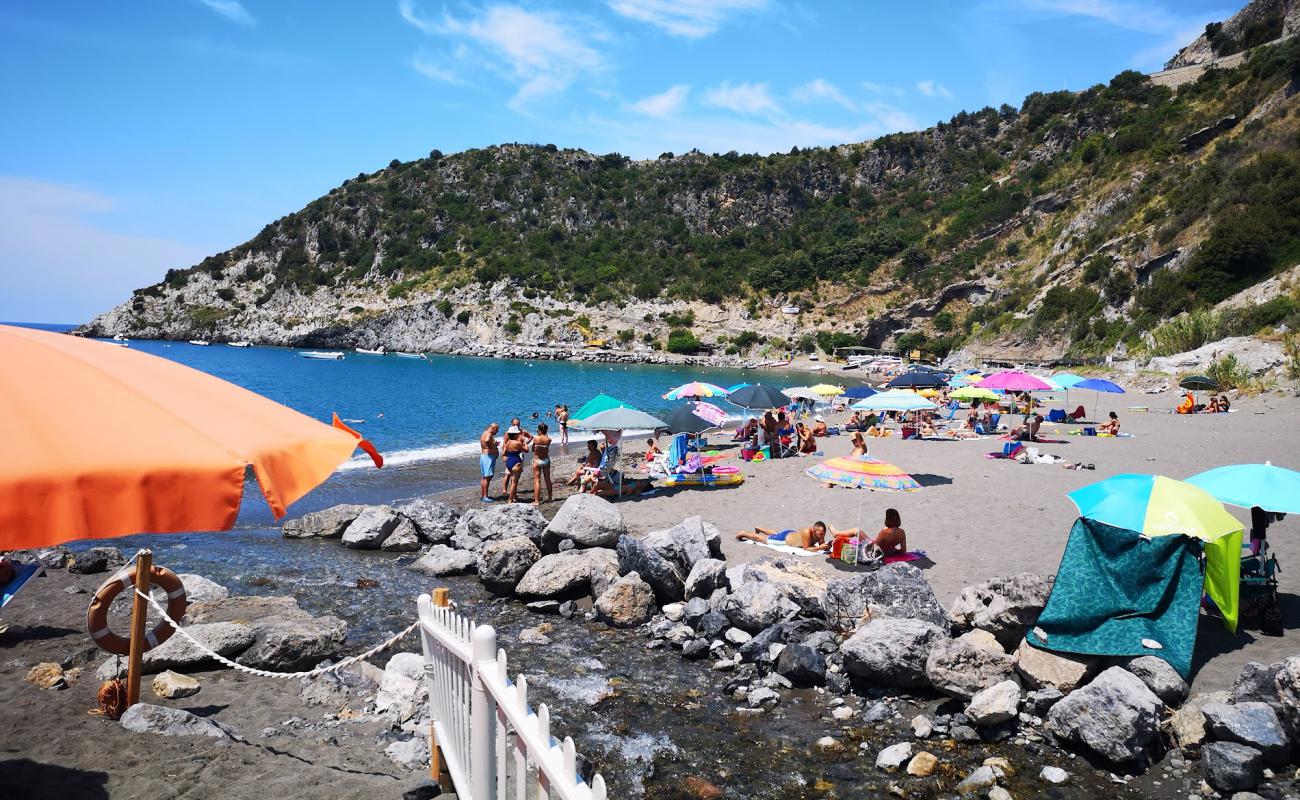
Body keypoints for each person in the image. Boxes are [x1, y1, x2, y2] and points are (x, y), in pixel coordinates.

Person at [735, 521, 835, 553]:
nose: (822, 536)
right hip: (784, 540)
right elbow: (806, 548)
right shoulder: (807, 532)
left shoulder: (819, 533)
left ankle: (759, 528)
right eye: (820, 534)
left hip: (790, 534)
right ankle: (743, 533)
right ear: (813, 530)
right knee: (761, 539)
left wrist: (828, 546)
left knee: (775, 534)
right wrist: (820, 548)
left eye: (823, 534)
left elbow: (822, 545)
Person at [502, 427, 527, 503]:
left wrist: (504, 457)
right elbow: (526, 450)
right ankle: (510, 499)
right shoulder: (517, 443)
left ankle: (514, 497)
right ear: (516, 435)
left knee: (512, 481)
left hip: (509, 461)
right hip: (516, 461)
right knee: (514, 483)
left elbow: (503, 453)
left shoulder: (508, 442)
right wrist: (524, 442)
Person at [532, 423, 553, 505]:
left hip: (537, 460)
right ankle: (550, 498)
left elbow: (533, 450)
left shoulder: (536, 438)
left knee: (537, 480)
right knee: (547, 479)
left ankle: (536, 501)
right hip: (546, 459)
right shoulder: (549, 440)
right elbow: (547, 450)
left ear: (539, 430)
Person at [479, 422, 500, 502]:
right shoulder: (489, 434)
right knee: (488, 477)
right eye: (497, 430)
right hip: (488, 457)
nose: (497, 432)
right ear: (493, 428)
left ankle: (483, 495)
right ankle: (485, 496)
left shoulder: (484, 433)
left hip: (483, 456)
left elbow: (486, 442)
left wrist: (494, 444)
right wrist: (492, 449)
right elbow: (487, 440)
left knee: (484, 477)